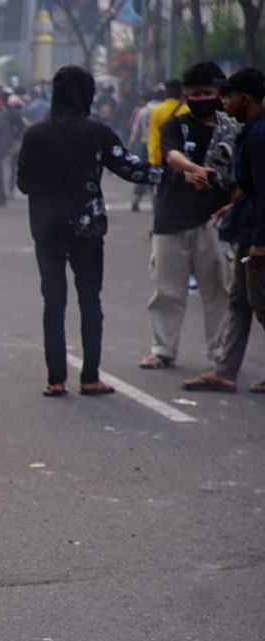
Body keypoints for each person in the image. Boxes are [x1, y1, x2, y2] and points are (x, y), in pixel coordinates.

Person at [17, 65, 163, 397]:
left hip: (47, 229)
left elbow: (23, 183)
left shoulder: (35, 135)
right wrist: (177, 172)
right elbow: (130, 168)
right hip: (87, 228)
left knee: (53, 303)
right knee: (89, 302)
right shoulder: (97, 132)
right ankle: (90, 377)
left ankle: (55, 380)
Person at [139, 62, 239, 372]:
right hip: (172, 218)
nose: (202, 98)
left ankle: (220, 352)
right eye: (195, 94)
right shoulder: (176, 125)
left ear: (219, 94)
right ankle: (163, 349)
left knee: (218, 290)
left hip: (214, 219)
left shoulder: (233, 129)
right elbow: (171, 155)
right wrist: (192, 169)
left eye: (207, 92)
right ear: (185, 96)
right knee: (167, 288)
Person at [183, 67, 265, 394]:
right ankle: (226, 371)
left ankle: (226, 370)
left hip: (257, 234)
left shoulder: (259, 136)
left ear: (245, 99)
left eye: (229, 96)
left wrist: (260, 242)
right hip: (248, 227)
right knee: (240, 301)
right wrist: (233, 207)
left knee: (260, 301)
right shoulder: (252, 130)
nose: (223, 102)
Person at [127, 88, 160, 212]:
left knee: (141, 171)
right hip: (158, 145)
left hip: (143, 143)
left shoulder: (142, 111)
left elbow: (135, 130)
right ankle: (154, 203)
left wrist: (130, 145)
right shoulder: (162, 109)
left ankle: (136, 200)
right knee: (156, 173)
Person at [147, 79, 187, 167]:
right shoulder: (187, 110)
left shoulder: (155, 110)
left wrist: (153, 161)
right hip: (183, 160)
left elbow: (154, 138)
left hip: (163, 159)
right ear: (181, 92)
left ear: (166, 92)